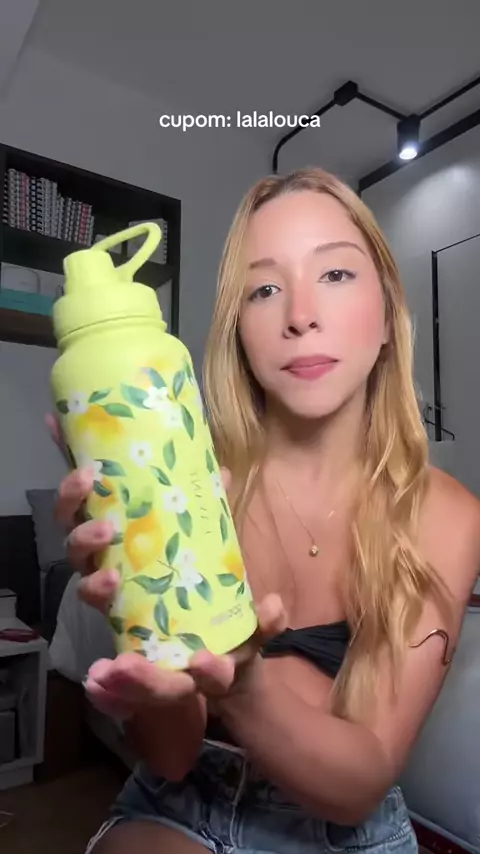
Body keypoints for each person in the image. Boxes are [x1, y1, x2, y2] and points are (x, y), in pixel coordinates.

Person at [50, 167, 480, 854]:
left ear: (387, 317)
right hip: (184, 803)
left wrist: (242, 682)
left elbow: (358, 785)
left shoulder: (445, 514)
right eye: (265, 289)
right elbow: (170, 757)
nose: (300, 315)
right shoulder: (191, 485)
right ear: (239, 332)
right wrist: (137, 614)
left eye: (335, 274)